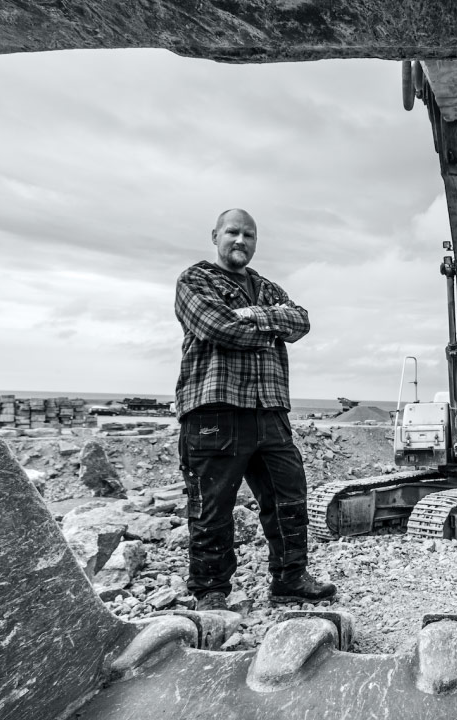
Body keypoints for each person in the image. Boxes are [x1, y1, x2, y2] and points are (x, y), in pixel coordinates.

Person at [173, 208, 336, 611]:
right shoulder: (195, 280)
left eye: (249, 235)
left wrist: (254, 315)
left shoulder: (265, 287)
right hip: (216, 410)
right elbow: (217, 327)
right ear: (215, 235)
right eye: (233, 232)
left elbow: (301, 322)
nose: (241, 241)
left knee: (289, 499)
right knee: (212, 507)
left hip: (270, 409)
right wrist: (269, 328)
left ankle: (290, 579)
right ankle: (211, 591)